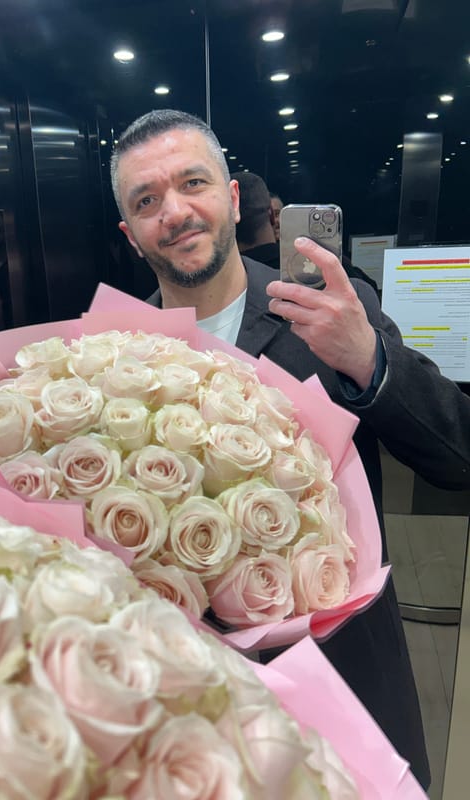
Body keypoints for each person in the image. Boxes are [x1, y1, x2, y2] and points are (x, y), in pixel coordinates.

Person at [110, 109, 470, 790]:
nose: (175, 212)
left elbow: (458, 455)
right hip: (190, 707)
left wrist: (368, 361)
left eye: (193, 183)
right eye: (147, 201)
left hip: (344, 680)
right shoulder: (116, 351)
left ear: (232, 198)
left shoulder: (327, 309)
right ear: (131, 234)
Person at [233, 170, 380, 293]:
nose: (278, 221)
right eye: (276, 214)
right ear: (270, 215)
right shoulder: (325, 261)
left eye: (280, 214)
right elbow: (367, 293)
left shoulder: (229, 279)